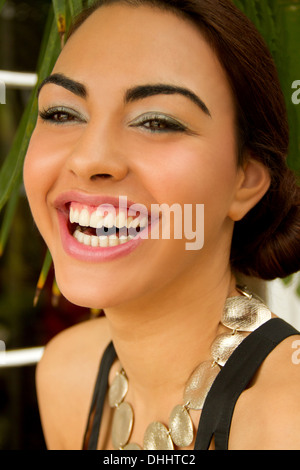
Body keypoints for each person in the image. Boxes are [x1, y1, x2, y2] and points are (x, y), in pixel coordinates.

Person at [23, 0, 300, 450]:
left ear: (245, 180)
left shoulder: (289, 420)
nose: (89, 158)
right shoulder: (65, 373)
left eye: (156, 121)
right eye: (62, 113)